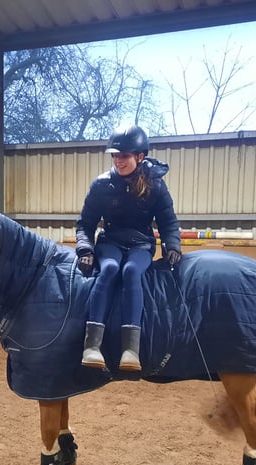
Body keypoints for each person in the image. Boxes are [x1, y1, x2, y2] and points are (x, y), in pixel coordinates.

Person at [75, 125, 182, 372]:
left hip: (141, 244)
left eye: (123, 156)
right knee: (110, 269)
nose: (118, 161)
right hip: (111, 241)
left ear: (140, 156)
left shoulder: (156, 185)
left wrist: (172, 246)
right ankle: (91, 346)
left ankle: (130, 350)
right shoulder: (101, 184)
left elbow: (168, 221)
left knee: (132, 271)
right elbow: (85, 223)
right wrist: (85, 250)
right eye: (114, 155)